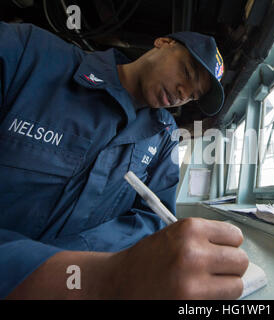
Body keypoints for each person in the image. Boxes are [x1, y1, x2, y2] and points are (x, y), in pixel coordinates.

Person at [0, 21, 248, 299]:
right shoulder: (25, 53)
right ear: (163, 42)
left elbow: (152, 218)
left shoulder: (165, 136)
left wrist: (87, 264)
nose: (182, 93)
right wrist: (83, 271)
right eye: (187, 71)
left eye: (192, 95)